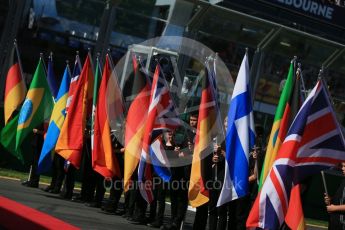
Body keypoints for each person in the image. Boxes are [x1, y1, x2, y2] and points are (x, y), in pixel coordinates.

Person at [324, 162, 345, 229]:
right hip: (335, 223)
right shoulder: (343, 181)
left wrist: (335, 208)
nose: (342, 168)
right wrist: (330, 200)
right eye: (342, 166)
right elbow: (341, 200)